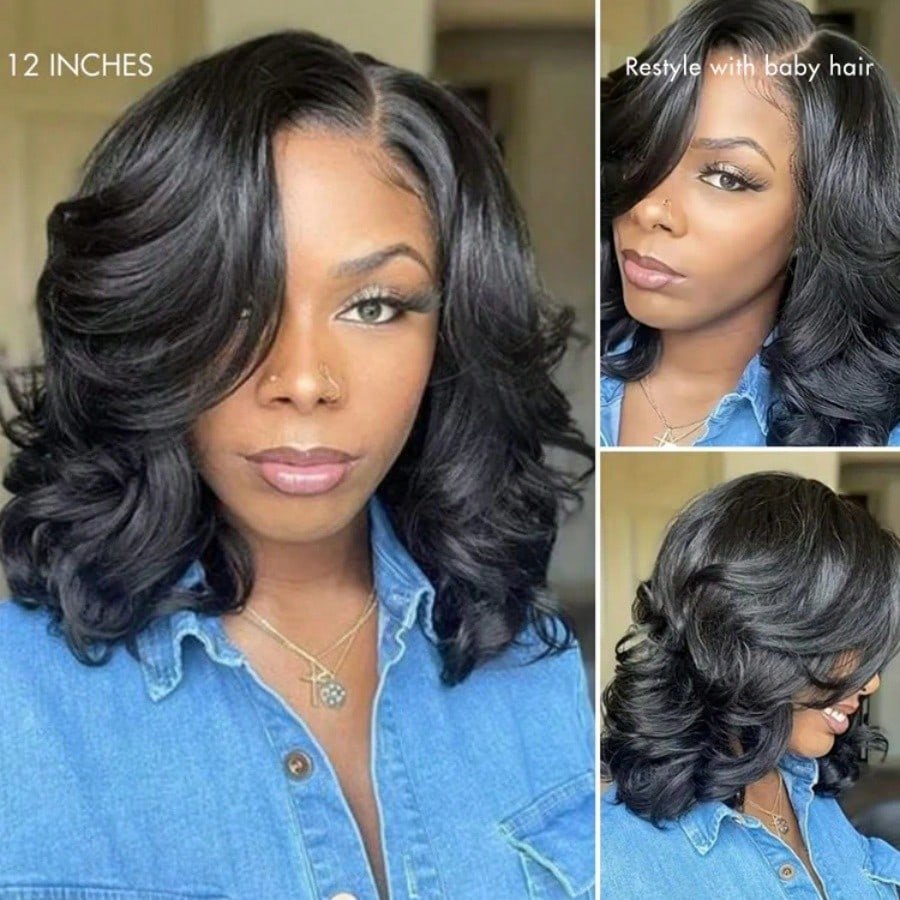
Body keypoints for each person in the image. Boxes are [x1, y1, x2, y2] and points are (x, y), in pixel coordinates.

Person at [0, 30, 596, 899]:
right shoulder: (18, 702)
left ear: (452, 332)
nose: (306, 380)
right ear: (148, 326)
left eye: (375, 306)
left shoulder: (536, 667)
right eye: (236, 305)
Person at [600, 0, 900, 446]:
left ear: (817, 218)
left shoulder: (878, 436)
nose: (649, 210)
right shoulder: (573, 373)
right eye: (640, 154)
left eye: (725, 177)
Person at [600, 472, 900, 897]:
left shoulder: (807, 787)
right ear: (758, 635)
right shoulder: (614, 859)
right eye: (845, 643)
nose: (870, 682)